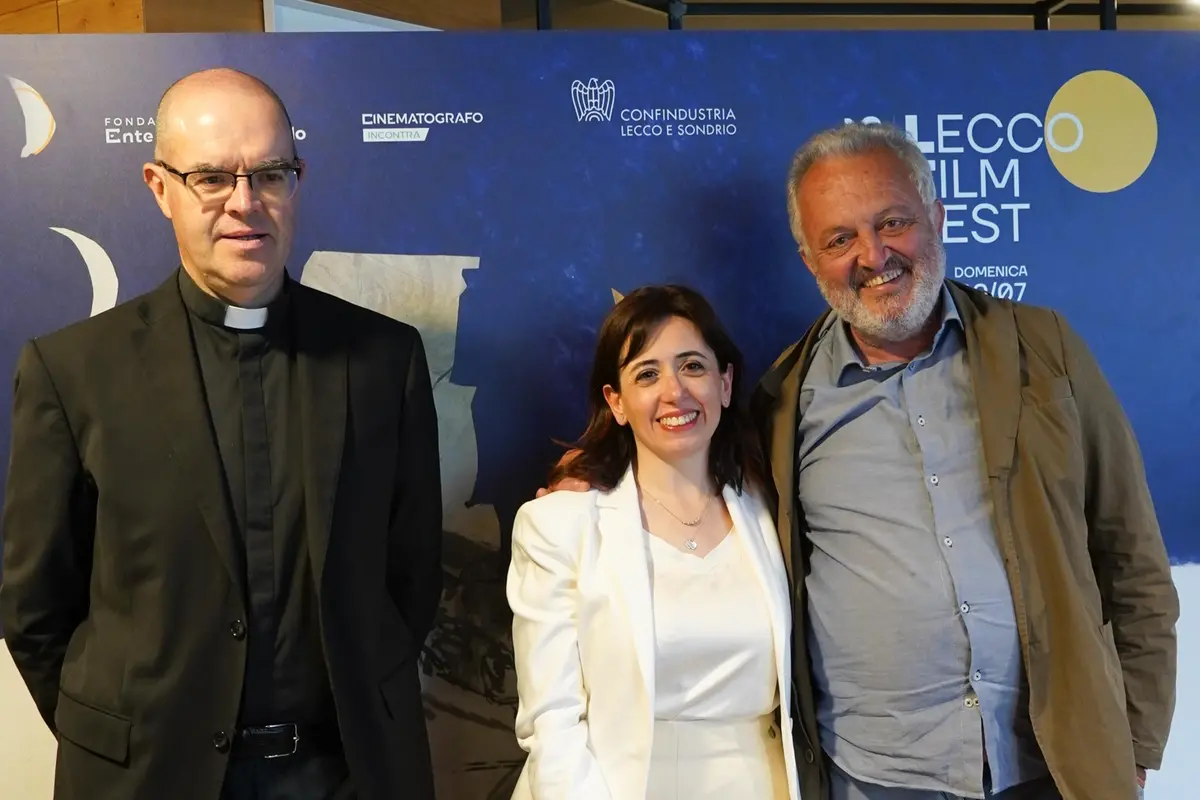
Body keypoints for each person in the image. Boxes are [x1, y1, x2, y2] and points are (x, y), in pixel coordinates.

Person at [546, 122, 1179, 800]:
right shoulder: (779, 403)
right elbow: (686, 461)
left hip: (1051, 770)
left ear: (936, 217)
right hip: (873, 780)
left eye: (894, 222)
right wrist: (599, 470)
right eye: (840, 239)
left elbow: (1133, 561)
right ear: (809, 259)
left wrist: (1135, 745)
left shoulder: (1046, 352)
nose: (874, 255)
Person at [0, 68, 443, 800]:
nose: (245, 203)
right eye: (211, 176)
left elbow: (412, 575)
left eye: (270, 173)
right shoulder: (73, 371)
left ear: (297, 180)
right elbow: (36, 607)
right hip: (146, 779)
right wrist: (123, 735)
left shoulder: (382, 360)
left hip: (346, 776)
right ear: (158, 186)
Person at [507, 285, 800, 799]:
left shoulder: (772, 510)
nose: (674, 392)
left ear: (725, 383)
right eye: (647, 374)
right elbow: (552, 722)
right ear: (615, 402)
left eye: (692, 366)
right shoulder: (559, 524)